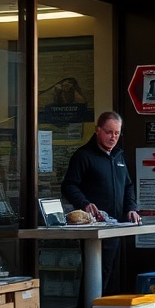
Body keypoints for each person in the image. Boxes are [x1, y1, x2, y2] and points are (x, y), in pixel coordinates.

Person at [62, 111, 142, 296]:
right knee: (97, 277)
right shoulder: (83, 156)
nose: (113, 137)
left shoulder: (118, 156)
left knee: (113, 277)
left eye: (117, 133)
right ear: (98, 131)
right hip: (95, 228)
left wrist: (131, 208)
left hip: (117, 226)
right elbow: (69, 185)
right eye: (108, 132)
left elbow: (128, 186)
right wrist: (84, 203)